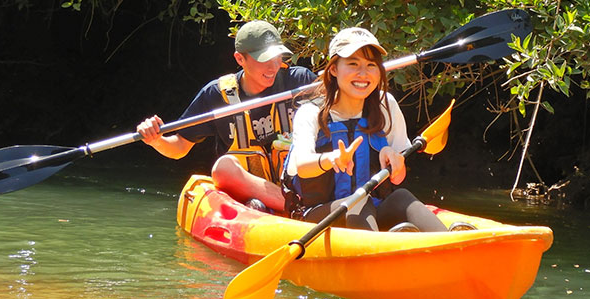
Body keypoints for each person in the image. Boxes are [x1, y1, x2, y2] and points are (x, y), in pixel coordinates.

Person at [137, 21, 317, 212]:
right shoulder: (216, 95)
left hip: (300, 184)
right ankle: (293, 207)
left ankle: (302, 204)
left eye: (276, 57)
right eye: (264, 60)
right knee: (223, 169)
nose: (273, 67)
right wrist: (156, 140)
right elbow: (180, 147)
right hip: (251, 196)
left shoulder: (301, 81)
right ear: (240, 59)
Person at [282, 27, 448, 232]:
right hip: (319, 216)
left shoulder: (385, 104)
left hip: (370, 209)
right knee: (358, 201)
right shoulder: (310, 112)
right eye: (353, 64)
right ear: (334, 69)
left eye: (371, 65)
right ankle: (378, 254)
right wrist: (332, 159)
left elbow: (398, 177)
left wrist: (393, 160)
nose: (363, 74)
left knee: (401, 197)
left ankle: (458, 250)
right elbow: (302, 167)